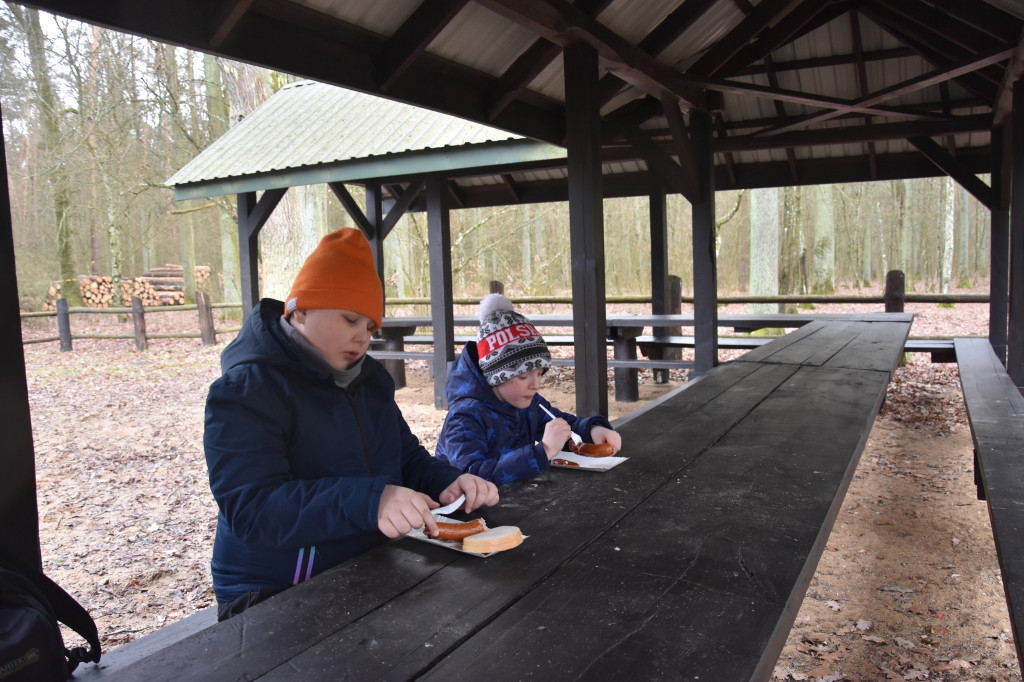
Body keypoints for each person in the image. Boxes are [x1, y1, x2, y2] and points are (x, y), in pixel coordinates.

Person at [204, 228, 498, 620]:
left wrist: (445, 480)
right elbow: (252, 509)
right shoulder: (246, 391)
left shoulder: (369, 382)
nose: (361, 337)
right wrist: (372, 500)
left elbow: (405, 457)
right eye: (349, 319)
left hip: (364, 567)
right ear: (300, 310)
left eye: (370, 327)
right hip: (273, 590)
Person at [435, 294, 622, 485]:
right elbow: (471, 477)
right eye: (523, 376)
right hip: (463, 510)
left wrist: (593, 431)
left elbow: (563, 426)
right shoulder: (464, 416)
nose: (535, 384)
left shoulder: (529, 402)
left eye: (540, 373)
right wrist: (544, 451)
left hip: (517, 502)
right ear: (496, 376)